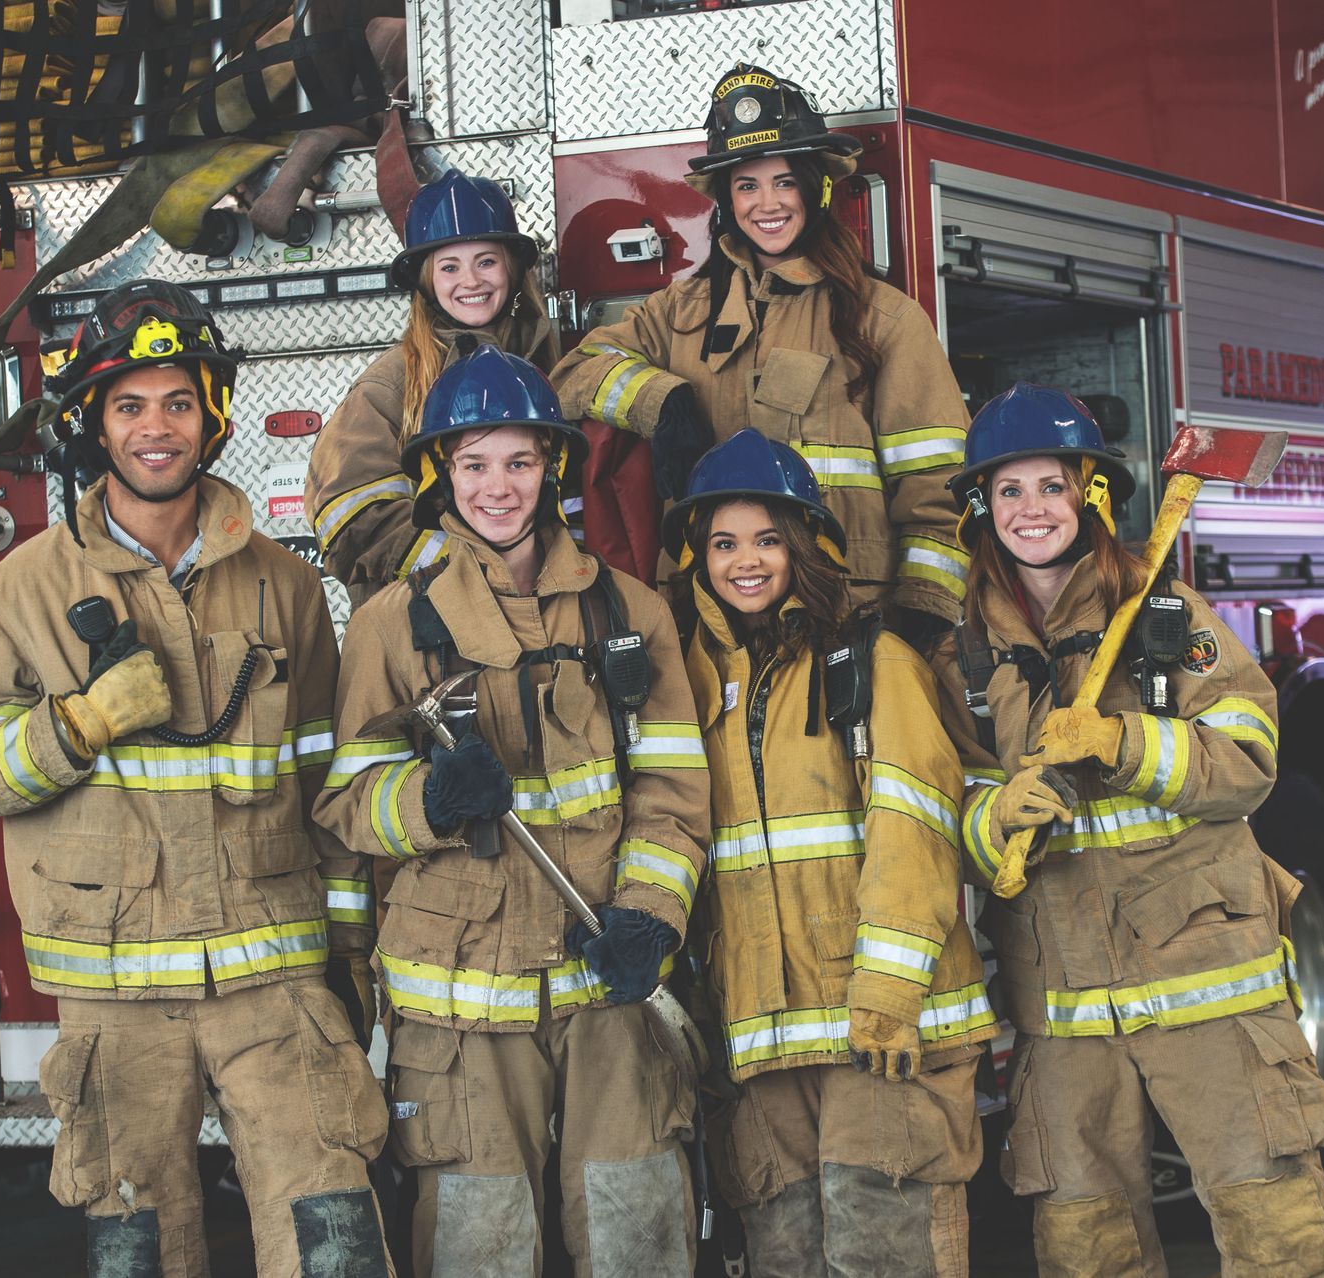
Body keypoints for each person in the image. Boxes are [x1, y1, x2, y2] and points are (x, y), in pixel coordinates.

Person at [0, 279, 391, 1277]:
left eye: (178, 401)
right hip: (116, 994)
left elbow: (328, 787)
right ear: (94, 421)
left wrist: (350, 957)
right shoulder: (20, 593)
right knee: (137, 1250)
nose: (156, 428)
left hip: (276, 981)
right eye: (130, 404)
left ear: (211, 415)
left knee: (332, 1242)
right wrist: (80, 725)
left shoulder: (285, 584)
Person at [927, 382, 1324, 1277]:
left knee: (1275, 1230)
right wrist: (994, 818)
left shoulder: (1163, 617)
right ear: (980, 509)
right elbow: (949, 811)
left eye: (1051, 487)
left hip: (1205, 977)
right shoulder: (963, 659)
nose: (1030, 510)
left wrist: (1123, 744)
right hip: (1066, 1007)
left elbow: (1248, 758)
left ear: (1089, 496)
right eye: (1008, 491)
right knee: (1088, 1246)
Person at [312, 344, 710, 1276]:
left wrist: (650, 919)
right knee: (477, 1245)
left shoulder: (631, 612)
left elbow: (673, 793)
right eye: (475, 462)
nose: (499, 487)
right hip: (459, 1006)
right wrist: (432, 798)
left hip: (606, 983)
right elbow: (347, 801)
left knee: (635, 1227)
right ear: (440, 474)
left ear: (553, 468)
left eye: (521, 461)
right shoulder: (388, 625)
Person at [663, 429, 995, 1276]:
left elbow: (915, 825)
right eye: (724, 543)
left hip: (877, 1036)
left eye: (768, 540)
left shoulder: (872, 663)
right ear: (697, 557)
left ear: (805, 548)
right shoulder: (690, 682)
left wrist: (887, 991)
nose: (746, 562)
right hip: (764, 1051)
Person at [550, 63, 969, 648]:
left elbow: (939, 486)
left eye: (784, 182)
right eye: (747, 185)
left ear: (817, 188)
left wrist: (921, 616)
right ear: (725, 199)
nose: (766, 204)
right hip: (706, 622)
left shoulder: (883, 320)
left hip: (845, 616)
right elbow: (571, 374)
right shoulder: (678, 312)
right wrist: (661, 402)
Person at [308, 168, 551, 607]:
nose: (472, 281)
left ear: (512, 269)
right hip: (430, 617)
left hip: (541, 604)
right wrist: (476, 569)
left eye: (487, 261)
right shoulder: (391, 383)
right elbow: (350, 522)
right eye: (450, 267)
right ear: (426, 280)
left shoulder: (547, 363)